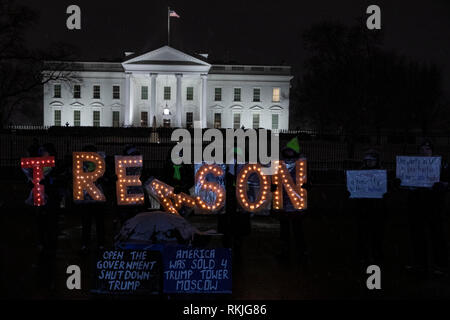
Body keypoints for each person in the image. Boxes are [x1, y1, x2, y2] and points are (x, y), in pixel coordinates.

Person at [403, 140, 449, 276]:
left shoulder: (442, 166)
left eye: (427, 149)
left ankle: (440, 265)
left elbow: (447, 183)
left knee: (438, 236)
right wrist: (400, 182)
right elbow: (403, 182)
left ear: (432, 151)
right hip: (416, 206)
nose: (424, 152)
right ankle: (419, 264)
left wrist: (442, 185)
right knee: (417, 236)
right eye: (422, 149)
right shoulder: (411, 166)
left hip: (435, 206)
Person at [350, 148, 387, 267]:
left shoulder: (381, 173)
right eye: (367, 160)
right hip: (363, 208)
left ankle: (376, 256)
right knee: (362, 233)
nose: (369, 162)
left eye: (372, 160)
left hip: (376, 209)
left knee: (376, 234)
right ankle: (363, 256)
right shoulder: (359, 173)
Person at [274, 136, 309, 264]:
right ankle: (285, 251)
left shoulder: (300, 165)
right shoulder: (280, 165)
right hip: (283, 203)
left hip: (296, 205)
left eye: (291, 150)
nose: (289, 152)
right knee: (284, 231)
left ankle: (301, 251)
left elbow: (306, 182)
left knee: (297, 230)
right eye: (287, 150)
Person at [77, 144, 106, 253]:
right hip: (88, 198)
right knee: (88, 222)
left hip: (94, 198)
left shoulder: (99, 165)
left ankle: (96, 243)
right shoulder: (81, 165)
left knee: (96, 222)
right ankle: (90, 243)